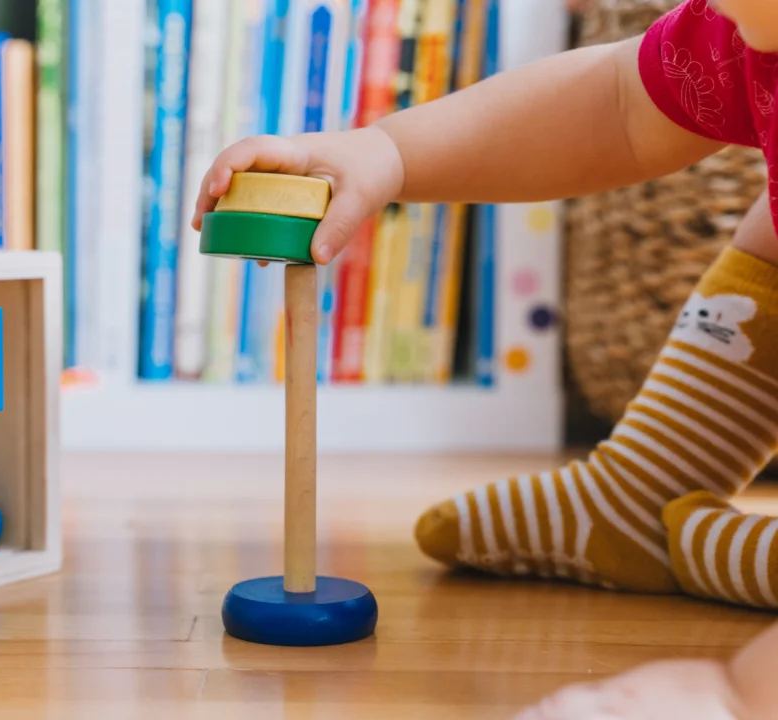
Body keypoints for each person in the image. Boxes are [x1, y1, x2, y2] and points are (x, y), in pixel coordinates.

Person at [193, 1, 778, 716]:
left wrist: (740, 693)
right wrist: (388, 152)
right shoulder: (747, 34)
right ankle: (643, 494)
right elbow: (621, 103)